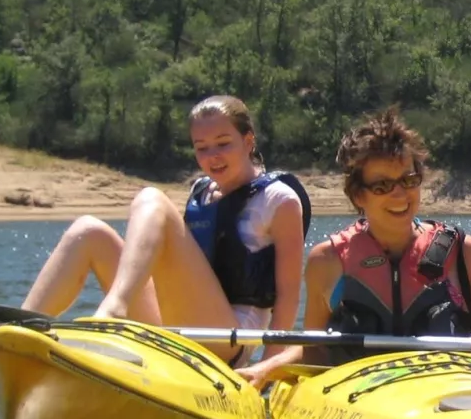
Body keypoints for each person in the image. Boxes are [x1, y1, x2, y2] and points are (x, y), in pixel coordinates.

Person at [21, 95, 311, 365]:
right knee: (88, 231)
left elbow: (288, 296)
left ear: (248, 142)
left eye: (223, 143)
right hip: (179, 327)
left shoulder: (279, 199)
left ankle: (114, 310)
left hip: (228, 340)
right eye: (202, 147)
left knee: (152, 199)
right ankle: (12, 336)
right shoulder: (200, 191)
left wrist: (268, 369)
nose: (213, 156)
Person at [239, 108, 471, 388]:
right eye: (382, 186)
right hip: (361, 406)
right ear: (358, 194)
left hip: (446, 402)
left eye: (409, 180)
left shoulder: (463, 254)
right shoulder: (327, 262)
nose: (400, 194)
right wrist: (267, 369)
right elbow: (315, 349)